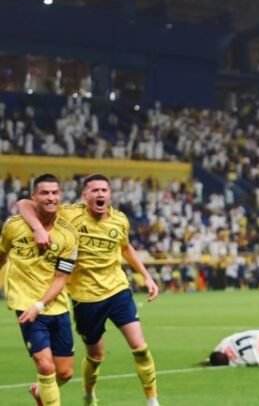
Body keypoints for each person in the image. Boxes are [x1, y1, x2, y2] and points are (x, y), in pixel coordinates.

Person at [18, 174, 161, 406]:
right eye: (94, 190)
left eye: (104, 190)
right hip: (86, 298)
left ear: (110, 194)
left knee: (140, 347)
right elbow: (23, 204)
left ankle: (152, 401)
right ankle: (88, 395)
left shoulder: (120, 220)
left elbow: (125, 248)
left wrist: (147, 276)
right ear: (85, 195)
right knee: (96, 355)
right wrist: (37, 228)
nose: (100, 194)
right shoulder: (69, 214)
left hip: (118, 290)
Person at [0, 174, 78, 406]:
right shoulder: (14, 226)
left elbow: (61, 278)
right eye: (44, 193)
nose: (50, 197)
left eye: (54, 192)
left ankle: (40, 392)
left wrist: (40, 305)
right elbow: (2, 255)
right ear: (34, 196)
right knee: (45, 366)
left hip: (55, 305)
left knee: (65, 373)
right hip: (25, 304)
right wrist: (36, 228)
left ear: (60, 195)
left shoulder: (69, 234)